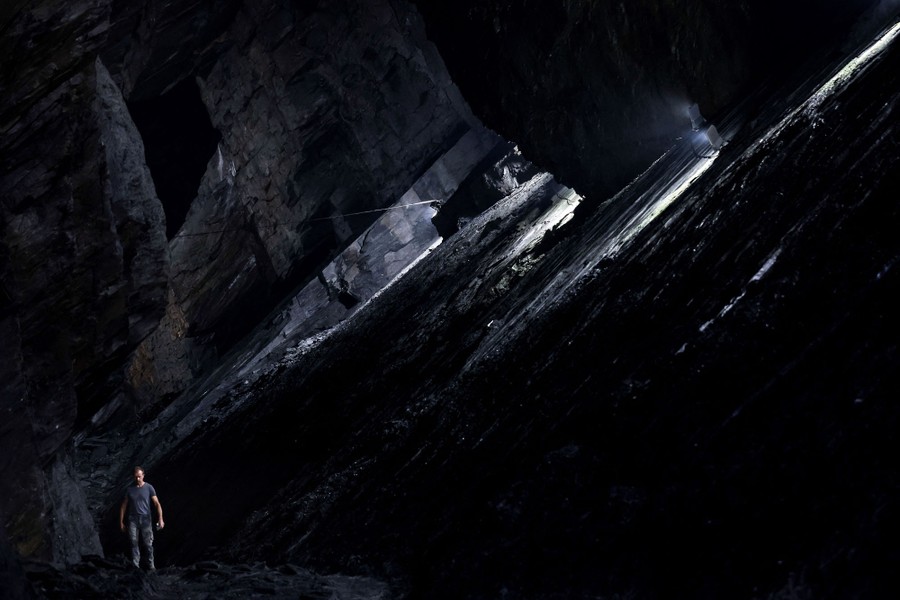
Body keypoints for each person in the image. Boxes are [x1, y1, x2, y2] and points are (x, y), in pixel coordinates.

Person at [119, 466, 165, 570]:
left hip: (145, 519)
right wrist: (121, 522)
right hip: (132, 520)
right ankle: (136, 567)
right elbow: (123, 506)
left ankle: (151, 566)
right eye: (136, 477)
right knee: (133, 543)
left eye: (139, 477)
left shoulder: (149, 488)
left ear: (143, 475)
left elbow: (157, 503)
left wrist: (160, 518)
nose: (138, 479)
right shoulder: (130, 490)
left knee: (148, 544)